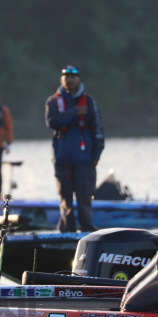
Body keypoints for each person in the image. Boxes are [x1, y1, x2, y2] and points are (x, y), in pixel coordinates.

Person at [45, 65, 105, 233]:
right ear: (61, 80)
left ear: (79, 79)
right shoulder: (53, 101)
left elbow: (98, 130)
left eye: (73, 76)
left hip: (85, 158)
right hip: (61, 157)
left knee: (85, 195)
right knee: (65, 195)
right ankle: (67, 227)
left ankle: (86, 226)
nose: (69, 80)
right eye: (66, 76)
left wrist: (97, 154)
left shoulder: (89, 102)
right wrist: (74, 112)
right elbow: (52, 122)